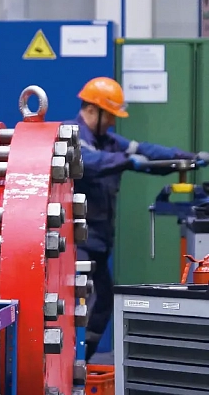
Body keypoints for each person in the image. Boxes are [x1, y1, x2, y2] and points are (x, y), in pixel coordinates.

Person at [72, 77, 207, 361]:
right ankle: (69, 364)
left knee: (102, 303)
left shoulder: (110, 142)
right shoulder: (71, 137)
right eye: (110, 115)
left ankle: (81, 363)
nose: (113, 122)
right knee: (80, 305)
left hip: (99, 243)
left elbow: (145, 151)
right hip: (76, 244)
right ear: (93, 110)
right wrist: (125, 161)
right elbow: (90, 163)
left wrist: (186, 158)